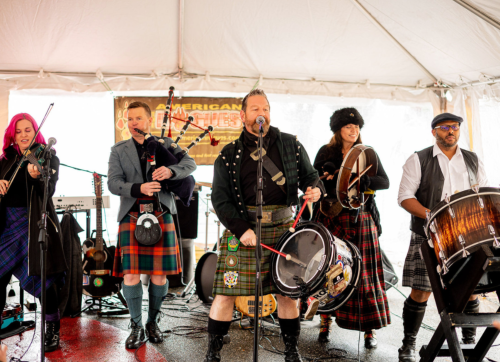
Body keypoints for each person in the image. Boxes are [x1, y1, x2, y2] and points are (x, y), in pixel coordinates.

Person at [205, 89, 323, 362]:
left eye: (266, 109)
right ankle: (212, 354)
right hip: (243, 229)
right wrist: (241, 229)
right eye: (256, 109)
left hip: (284, 230)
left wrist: (315, 189)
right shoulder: (228, 154)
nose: (262, 114)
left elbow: (312, 178)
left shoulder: (291, 145)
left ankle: (291, 352)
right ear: (243, 115)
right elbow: (220, 199)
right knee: (225, 293)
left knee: (286, 294)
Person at [397, 112, 489, 361]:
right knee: (421, 291)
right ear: (434, 131)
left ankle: (470, 344)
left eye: (455, 127)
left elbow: (481, 194)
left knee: (470, 288)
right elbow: (405, 197)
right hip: (429, 235)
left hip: (467, 234)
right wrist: (434, 216)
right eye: (445, 127)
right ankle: (408, 345)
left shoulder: (472, 160)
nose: (451, 131)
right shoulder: (419, 159)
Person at [108, 101, 196, 349]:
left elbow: (190, 165)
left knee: (159, 274)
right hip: (132, 213)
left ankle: (152, 322)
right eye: (130, 119)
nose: (134, 123)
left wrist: (169, 171)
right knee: (131, 273)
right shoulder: (118, 150)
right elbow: (113, 183)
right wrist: (139, 188)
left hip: (161, 212)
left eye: (138, 118)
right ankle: (136, 326)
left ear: (149, 120)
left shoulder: (165, 144)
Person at [313, 108, 391, 348]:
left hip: (360, 217)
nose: (353, 130)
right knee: (330, 269)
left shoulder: (367, 153)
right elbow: (312, 180)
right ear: (338, 130)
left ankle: (370, 330)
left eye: (357, 127)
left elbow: (384, 182)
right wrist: (323, 176)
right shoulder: (326, 152)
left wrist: (367, 181)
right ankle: (325, 321)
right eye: (348, 127)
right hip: (330, 216)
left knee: (365, 273)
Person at [0, 113, 67, 352]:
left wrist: (37, 177)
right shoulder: (5, 160)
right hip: (7, 227)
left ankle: (52, 328)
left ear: (35, 131)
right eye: (18, 131)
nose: (23, 135)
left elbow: (48, 191)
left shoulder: (46, 156)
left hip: (32, 225)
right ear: (12, 135)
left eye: (28, 130)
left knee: (42, 280)